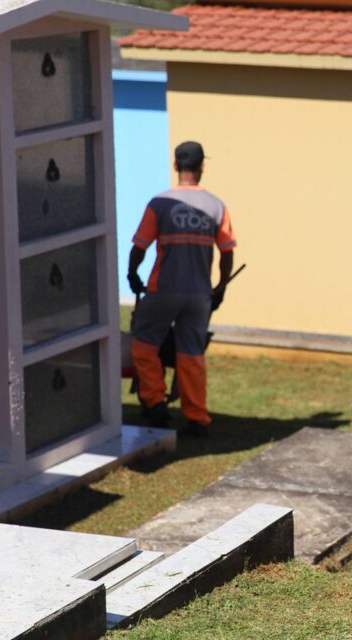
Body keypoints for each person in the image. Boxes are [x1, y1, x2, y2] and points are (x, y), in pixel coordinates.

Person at [127, 141, 237, 438]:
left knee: (144, 346)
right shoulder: (216, 206)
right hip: (199, 295)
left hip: (162, 290)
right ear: (202, 167)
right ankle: (197, 417)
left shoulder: (159, 203)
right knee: (191, 354)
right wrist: (221, 287)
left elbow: (140, 246)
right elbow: (227, 252)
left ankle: (155, 403)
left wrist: (132, 272)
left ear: (176, 166)